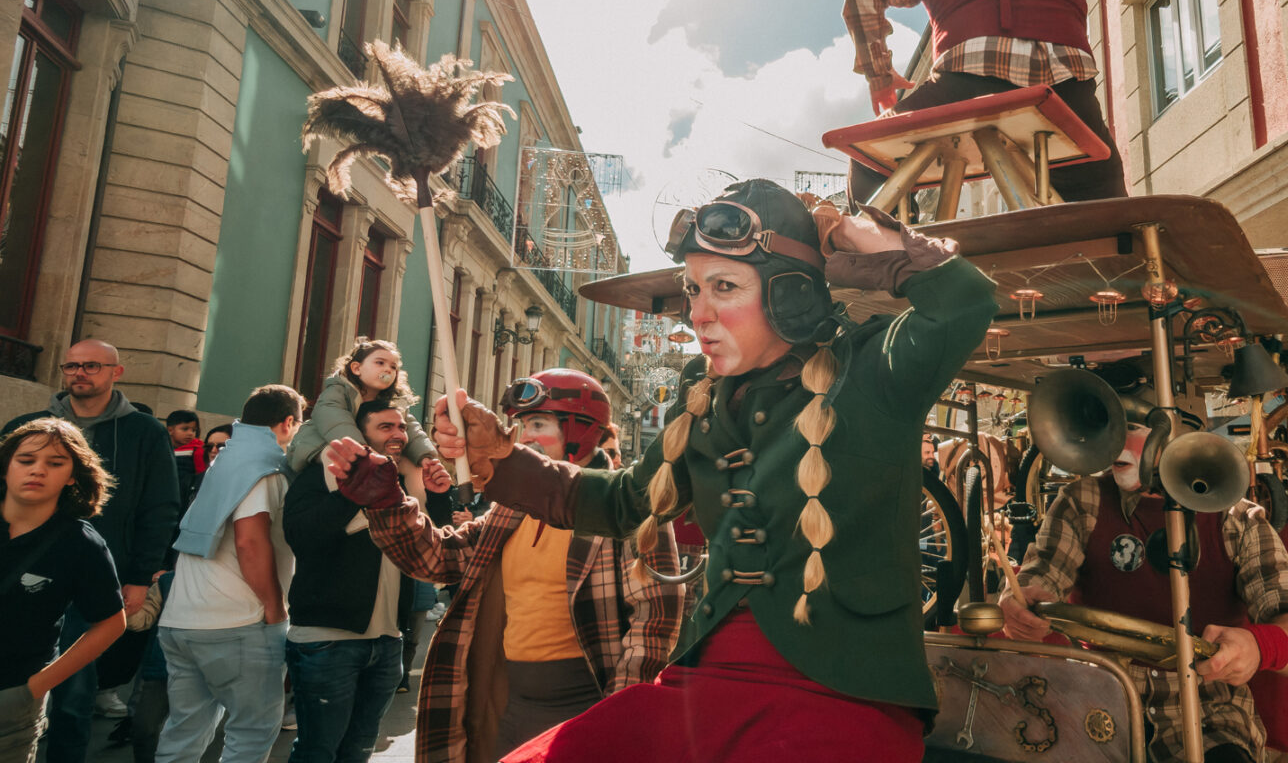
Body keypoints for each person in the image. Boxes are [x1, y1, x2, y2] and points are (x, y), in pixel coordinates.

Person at [400, 179, 994, 762]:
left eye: (724, 287)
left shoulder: (873, 370)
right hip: (700, 684)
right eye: (692, 289)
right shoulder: (702, 398)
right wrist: (500, 459)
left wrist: (848, 230)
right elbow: (623, 502)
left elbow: (965, 301)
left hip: (849, 695)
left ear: (791, 294)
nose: (698, 314)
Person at [332, 368, 684, 762]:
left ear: (582, 430)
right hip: (506, 706)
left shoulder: (626, 510)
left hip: (587, 708)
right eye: (520, 423)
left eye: (539, 422)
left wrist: (616, 720)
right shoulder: (510, 508)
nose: (525, 435)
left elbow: (654, 622)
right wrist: (387, 504)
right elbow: (440, 558)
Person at [1001, 416, 1288, 763]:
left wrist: (1260, 646)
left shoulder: (1236, 519)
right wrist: (1020, 601)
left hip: (1207, 709)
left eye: (1134, 425)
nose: (1116, 440)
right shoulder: (1083, 501)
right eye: (1112, 422)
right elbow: (1043, 573)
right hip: (1095, 694)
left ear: (1177, 433)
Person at [4, 340, 180, 763]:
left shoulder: (144, 431)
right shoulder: (29, 425)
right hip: (27, 575)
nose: (80, 373)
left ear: (115, 373)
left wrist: (140, 575)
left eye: (91, 366)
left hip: (99, 576)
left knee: (73, 696)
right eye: (72, 366)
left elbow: (160, 507)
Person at [843, 0, 1128, 208]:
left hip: (969, 82)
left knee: (871, 164)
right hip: (1067, 90)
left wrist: (880, 78)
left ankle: (901, 254)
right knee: (1099, 192)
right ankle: (1117, 256)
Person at [155, 385, 307, 763]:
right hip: (237, 621)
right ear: (288, 423)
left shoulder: (225, 460)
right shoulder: (264, 468)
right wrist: (276, 609)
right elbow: (249, 542)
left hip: (181, 619)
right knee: (251, 735)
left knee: (184, 732)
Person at [282, 401, 414, 763]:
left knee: (359, 749)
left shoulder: (398, 482)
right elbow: (301, 536)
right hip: (328, 642)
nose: (398, 435)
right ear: (360, 434)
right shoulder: (316, 477)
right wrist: (349, 497)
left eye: (401, 427)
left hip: (387, 643)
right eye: (386, 427)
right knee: (317, 752)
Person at [0, 419, 128, 763]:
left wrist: (34, 688)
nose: (37, 470)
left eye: (55, 463)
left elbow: (112, 623)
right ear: (6, 467)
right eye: (26, 461)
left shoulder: (81, 543)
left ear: (73, 475)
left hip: (10, 702)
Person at [286, 338, 435, 472]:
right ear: (357, 368)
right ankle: (340, 497)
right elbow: (334, 420)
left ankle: (416, 502)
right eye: (380, 362)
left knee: (413, 467)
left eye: (393, 367)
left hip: (367, 452)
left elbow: (412, 429)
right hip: (319, 444)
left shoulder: (393, 401)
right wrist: (361, 450)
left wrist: (425, 455)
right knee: (335, 457)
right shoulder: (338, 390)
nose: (388, 369)